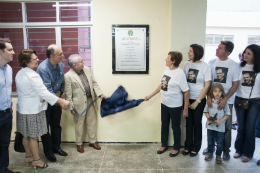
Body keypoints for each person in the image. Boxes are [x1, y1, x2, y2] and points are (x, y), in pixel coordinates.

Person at [15, 49, 70, 170]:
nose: (38, 60)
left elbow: (29, 91)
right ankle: (37, 160)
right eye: (35, 59)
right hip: (33, 110)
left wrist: (41, 97)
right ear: (26, 62)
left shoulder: (20, 73)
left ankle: (28, 157)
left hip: (23, 109)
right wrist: (62, 101)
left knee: (26, 135)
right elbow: (45, 93)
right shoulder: (33, 75)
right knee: (34, 137)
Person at [145, 51, 189, 157]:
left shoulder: (179, 73)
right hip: (164, 103)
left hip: (175, 105)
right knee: (164, 125)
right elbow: (162, 85)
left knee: (175, 127)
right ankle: (164, 145)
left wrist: (185, 108)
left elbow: (186, 91)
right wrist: (150, 96)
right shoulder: (166, 70)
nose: (166, 59)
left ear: (173, 61)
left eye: (168, 58)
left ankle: (176, 147)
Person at [203, 41, 239, 161]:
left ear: (227, 52)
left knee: (226, 128)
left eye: (220, 48)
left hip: (226, 101)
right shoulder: (212, 62)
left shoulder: (234, 65)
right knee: (212, 125)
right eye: (217, 47)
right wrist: (208, 96)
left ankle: (225, 151)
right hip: (212, 100)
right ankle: (210, 149)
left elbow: (235, 85)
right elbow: (208, 82)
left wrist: (225, 99)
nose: (217, 49)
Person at [64, 54, 106, 153]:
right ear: (75, 65)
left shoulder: (87, 69)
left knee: (92, 122)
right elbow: (68, 94)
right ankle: (79, 144)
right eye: (81, 61)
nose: (84, 63)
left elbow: (94, 83)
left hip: (91, 100)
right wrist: (71, 108)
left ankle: (92, 141)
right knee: (79, 124)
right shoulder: (68, 76)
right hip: (78, 104)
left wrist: (100, 94)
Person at [36, 44, 67, 162]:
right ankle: (48, 152)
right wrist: (60, 102)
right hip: (45, 102)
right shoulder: (43, 68)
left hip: (57, 99)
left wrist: (62, 91)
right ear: (51, 56)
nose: (63, 56)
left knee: (56, 125)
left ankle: (56, 147)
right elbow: (47, 90)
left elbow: (61, 80)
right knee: (45, 128)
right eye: (60, 54)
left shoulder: (60, 65)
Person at [183, 44, 211, 157]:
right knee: (188, 124)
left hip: (199, 100)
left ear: (197, 53)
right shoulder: (186, 64)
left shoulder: (205, 66)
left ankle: (196, 146)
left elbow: (207, 86)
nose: (188, 53)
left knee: (197, 123)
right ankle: (188, 145)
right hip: (187, 98)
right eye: (188, 51)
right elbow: (183, 82)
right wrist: (186, 100)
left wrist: (197, 101)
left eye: (190, 51)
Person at [233, 44, 260, 163]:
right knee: (241, 127)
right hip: (240, 99)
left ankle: (248, 153)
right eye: (245, 52)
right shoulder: (239, 66)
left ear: (255, 56)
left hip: (255, 101)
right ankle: (238, 150)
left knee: (250, 129)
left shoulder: (258, 69)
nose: (245, 55)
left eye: (248, 53)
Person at [0, 38, 21, 173]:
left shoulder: (9, 69)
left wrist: (11, 109)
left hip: (7, 113)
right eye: (9, 50)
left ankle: (3, 169)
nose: (13, 52)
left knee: (4, 144)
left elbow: (7, 92)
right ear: (1, 52)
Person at [204, 83, 231, 164]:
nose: (217, 93)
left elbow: (227, 114)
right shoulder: (210, 102)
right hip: (210, 126)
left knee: (219, 142)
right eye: (215, 91)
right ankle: (209, 153)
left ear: (222, 92)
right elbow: (206, 111)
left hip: (220, 127)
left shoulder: (224, 102)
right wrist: (208, 118)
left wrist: (220, 121)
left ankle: (218, 156)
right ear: (212, 92)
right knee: (210, 140)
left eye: (219, 91)